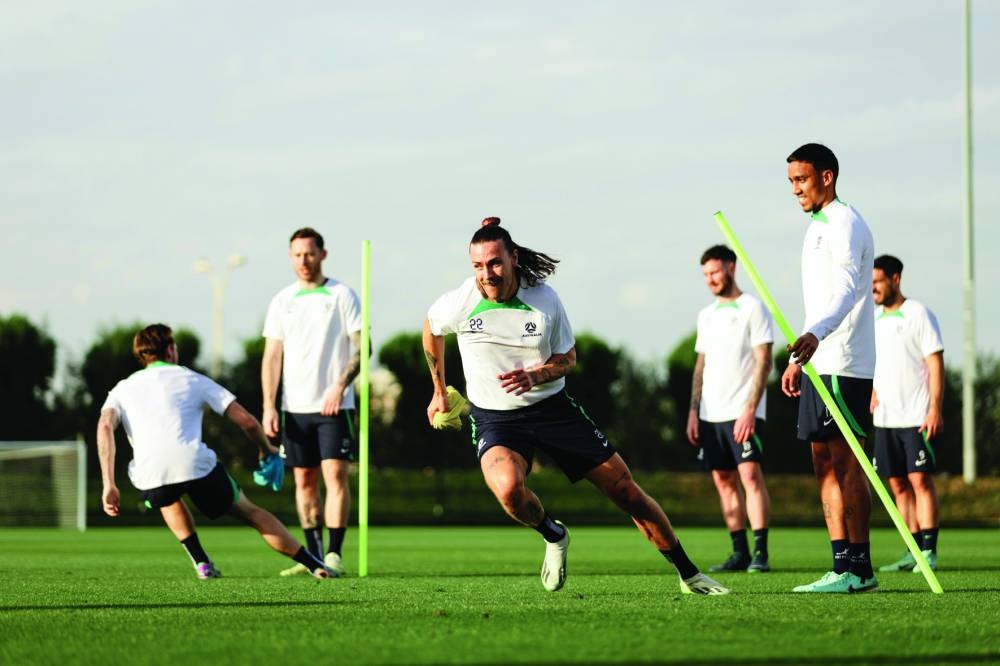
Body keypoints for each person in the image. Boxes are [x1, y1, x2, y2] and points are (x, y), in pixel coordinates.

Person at [422, 217, 729, 595]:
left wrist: (537, 376)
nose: (487, 273)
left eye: (495, 262)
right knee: (507, 491)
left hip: (552, 409)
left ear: (513, 257)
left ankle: (689, 574)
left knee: (626, 491)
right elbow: (431, 328)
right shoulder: (460, 302)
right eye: (478, 265)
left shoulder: (544, 299)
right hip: (495, 418)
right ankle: (553, 535)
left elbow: (568, 359)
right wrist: (438, 389)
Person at [97, 324, 331, 579]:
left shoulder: (123, 388)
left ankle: (202, 564)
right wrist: (266, 449)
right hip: (194, 465)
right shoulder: (192, 379)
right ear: (171, 349)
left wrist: (108, 483)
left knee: (166, 495)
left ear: (142, 355)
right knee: (250, 512)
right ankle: (314, 564)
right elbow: (248, 422)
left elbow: (105, 425)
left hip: (149, 473)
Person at [781, 143, 878, 593]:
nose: (796, 189)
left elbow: (843, 290)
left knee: (846, 464)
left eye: (801, 180)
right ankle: (840, 565)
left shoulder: (844, 222)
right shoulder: (814, 227)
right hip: (818, 361)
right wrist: (797, 359)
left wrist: (818, 335)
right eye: (791, 182)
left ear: (827, 176)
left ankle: (859, 569)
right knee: (822, 463)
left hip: (845, 361)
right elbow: (819, 300)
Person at [262, 227, 364, 577]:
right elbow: (272, 356)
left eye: (309, 253)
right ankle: (314, 559)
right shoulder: (282, 301)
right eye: (297, 255)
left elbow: (363, 347)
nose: (303, 261)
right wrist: (268, 406)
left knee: (335, 476)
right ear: (290, 257)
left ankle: (334, 554)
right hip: (294, 409)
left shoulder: (342, 295)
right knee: (304, 482)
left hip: (335, 407)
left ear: (323, 254)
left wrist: (339, 386)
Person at [686, 244, 774, 573]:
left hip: (743, 411)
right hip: (710, 414)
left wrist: (750, 409)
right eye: (705, 275)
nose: (710, 279)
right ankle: (738, 552)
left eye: (715, 272)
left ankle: (760, 552)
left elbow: (765, 360)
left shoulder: (753, 307)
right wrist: (694, 411)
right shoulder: (706, 315)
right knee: (723, 480)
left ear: (731, 268)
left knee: (750, 475)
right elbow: (701, 366)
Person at [871, 254, 944, 573]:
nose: (872, 287)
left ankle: (929, 551)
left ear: (895, 279)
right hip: (885, 418)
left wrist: (935, 409)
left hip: (916, 415)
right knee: (897, 485)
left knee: (920, 479)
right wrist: (871, 390)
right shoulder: (872, 320)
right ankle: (912, 549)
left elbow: (934, 364)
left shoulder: (918, 314)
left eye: (877, 281)